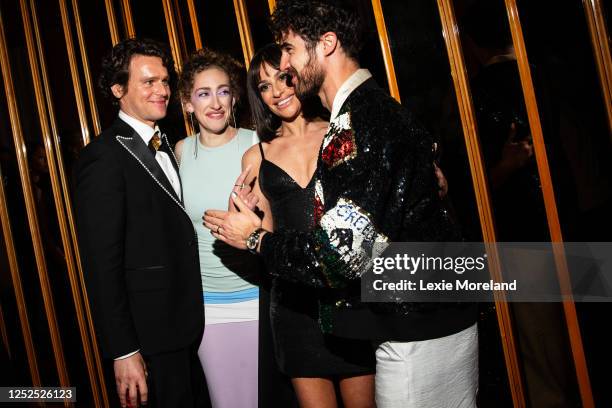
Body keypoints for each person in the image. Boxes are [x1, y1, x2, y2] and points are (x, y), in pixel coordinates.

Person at [203, 1, 478, 407]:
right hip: (407, 318)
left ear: (327, 44)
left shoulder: (362, 120)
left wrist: (256, 238)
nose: (287, 69)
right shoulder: (362, 114)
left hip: (415, 326)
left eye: (291, 52)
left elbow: (339, 255)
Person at [241, 43, 375, 407]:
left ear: (298, 75)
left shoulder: (340, 132)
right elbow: (264, 237)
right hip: (293, 307)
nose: (278, 92)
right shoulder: (258, 155)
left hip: (348, 297)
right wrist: (247, 218)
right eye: (264, 87)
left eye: (283, 78)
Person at [75, 38, 204, 408]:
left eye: (165, 81)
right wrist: (123, 350)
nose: (162, 90)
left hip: (185, 325)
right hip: (148, 338)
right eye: (148, 82)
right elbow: (102, 265)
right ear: (118, 89)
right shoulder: (103, 158)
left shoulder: (167, 144)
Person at [174, 48, 295, 408]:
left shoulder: (257, 144)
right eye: (203, 93)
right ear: (187, 103)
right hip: (209, 308)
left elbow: (280, 222)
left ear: (235, 97)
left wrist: (253, 224)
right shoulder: (180, 152)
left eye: (223, 91)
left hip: (259, 298)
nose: (215, 103)